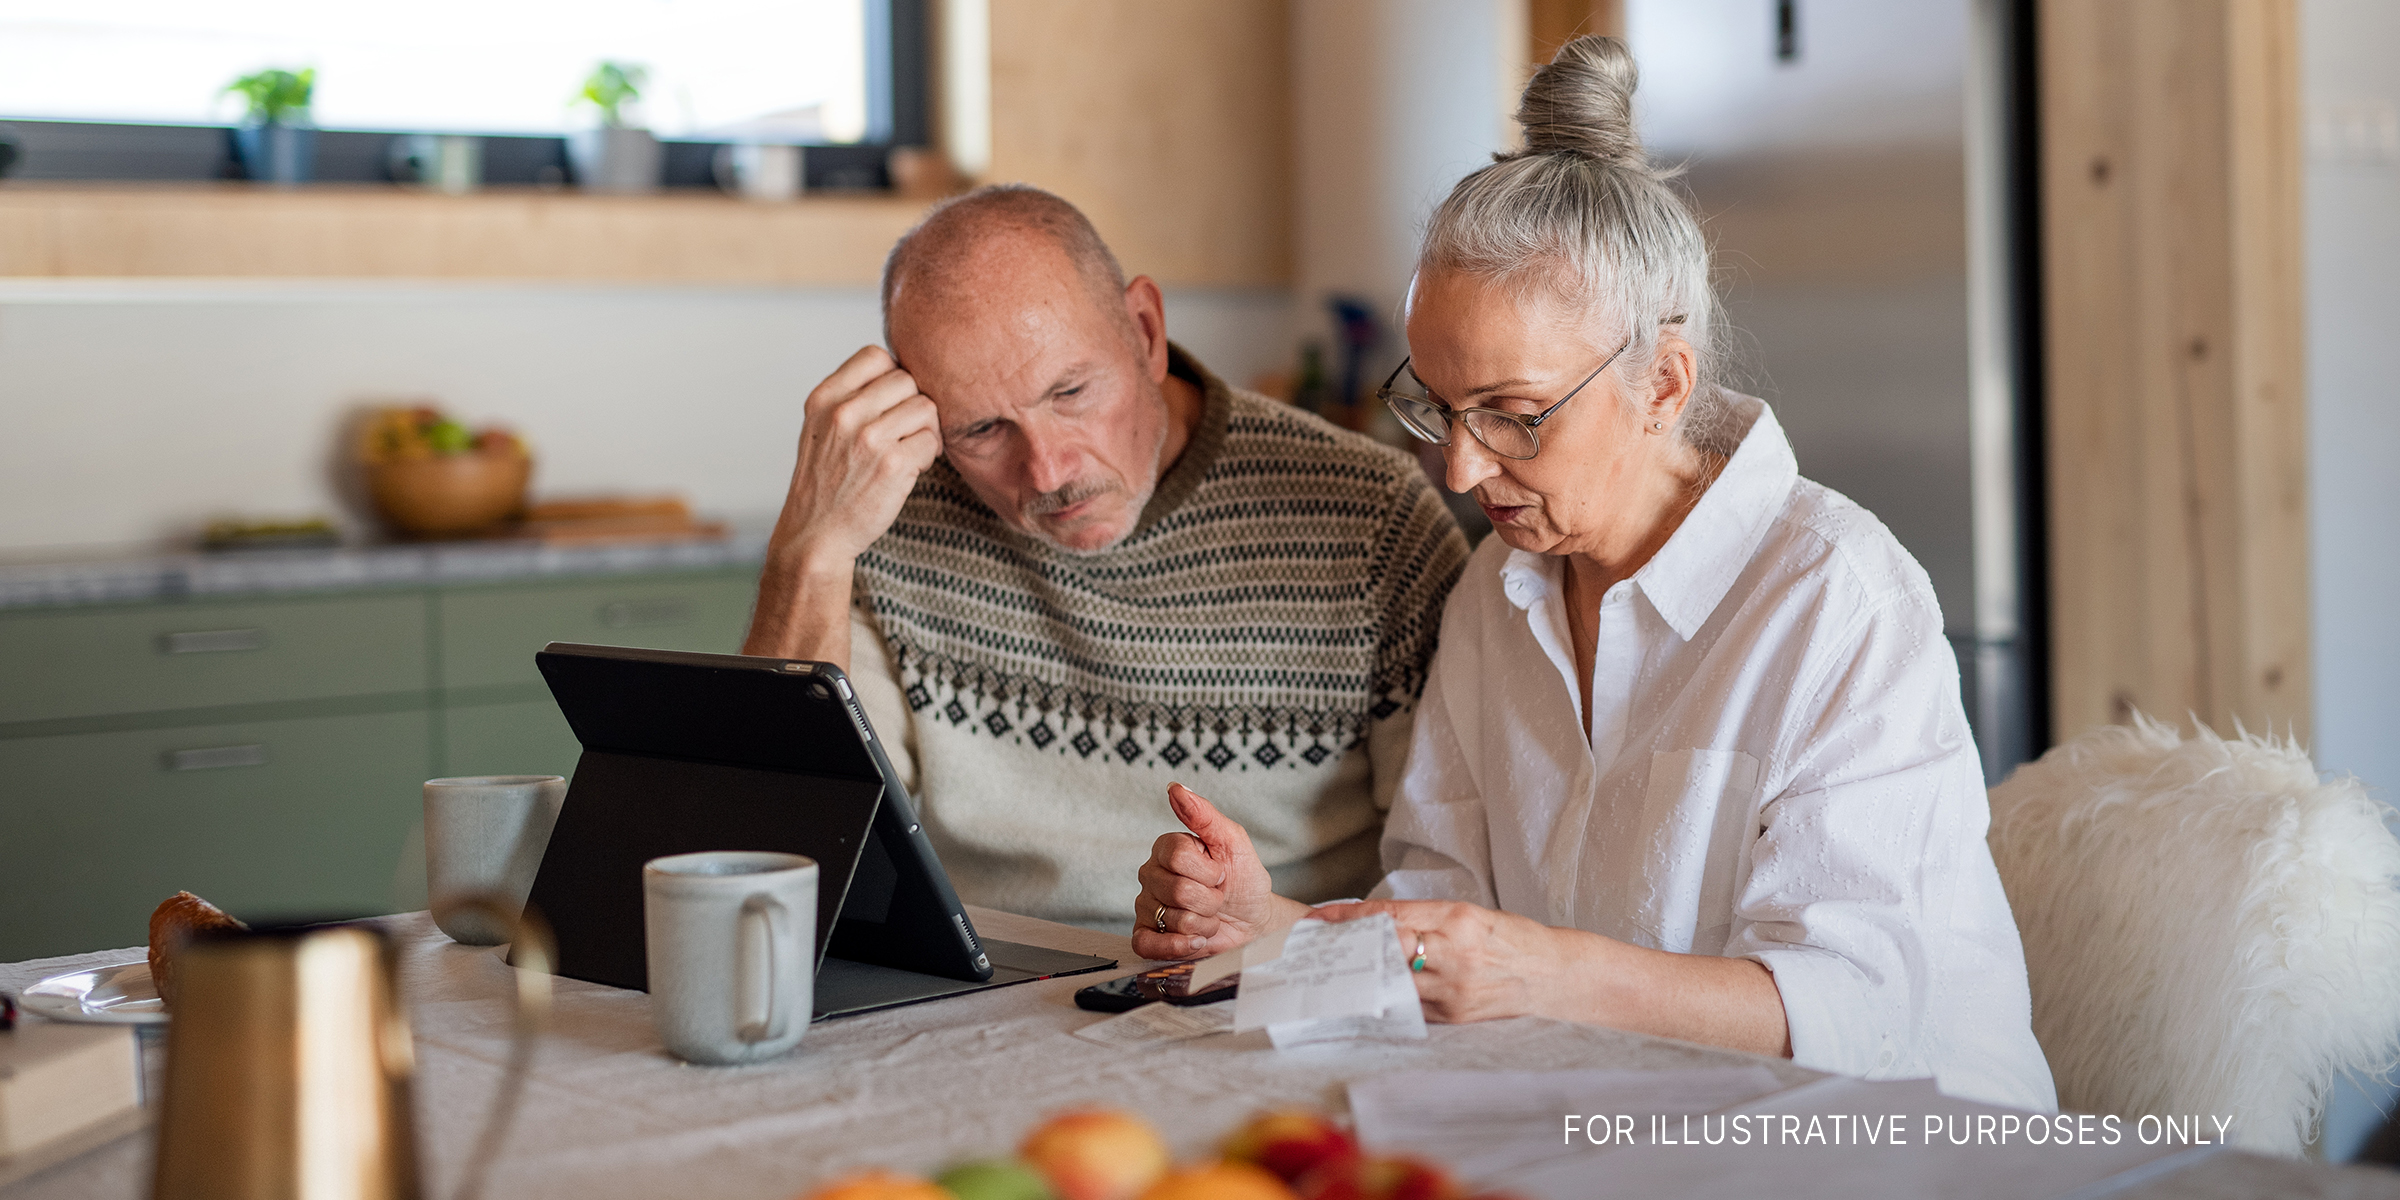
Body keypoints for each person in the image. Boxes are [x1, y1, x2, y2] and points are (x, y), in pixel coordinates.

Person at [1130, 36, 2056, 1110]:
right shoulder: (1499, 591)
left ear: (1663, 384)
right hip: (1615, 1123)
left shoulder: (1837, 599)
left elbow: (1856, 1008)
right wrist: (1272, 930)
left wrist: (1546, 973)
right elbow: (1442, 927)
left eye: (1515, 417)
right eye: (1436, 405)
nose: (1465, 468)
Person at [744, 184, 1468, 930]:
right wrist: (811, 549)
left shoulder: (1372, 515)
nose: (1049, 472)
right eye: (983, 429)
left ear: (1146, 331)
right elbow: (783, 853)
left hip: (1274, 988)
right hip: (987, 993)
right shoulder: (890, 511)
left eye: (1071, 391)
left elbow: (1453, 885)